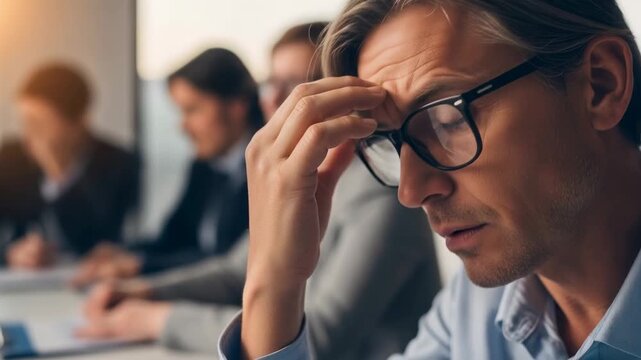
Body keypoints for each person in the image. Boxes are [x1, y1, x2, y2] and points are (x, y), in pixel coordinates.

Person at [215, 0, 641, 359]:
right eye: (387, 141)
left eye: (445, 118)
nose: (411, 191)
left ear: (600, 84)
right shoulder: (476, 310)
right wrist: (274, 283)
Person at [76, 22, 442, 359]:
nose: (274, 100)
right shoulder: (302, 178)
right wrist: (146, 291)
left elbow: (324, 338)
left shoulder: (386, 190)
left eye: (298, 86)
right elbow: (235, 269)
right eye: (273, 83)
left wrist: (157, 319)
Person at [72, 48, 262, 284]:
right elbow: (173, 237)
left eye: (192, 110)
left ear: (237, 106)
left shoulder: (267, 173)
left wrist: (142, 266)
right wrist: (124, 252)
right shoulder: (204, 166)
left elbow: (228, 261)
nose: (183, 127)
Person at [0, 63, 139, 269]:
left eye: (39, 123)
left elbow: (98, 241)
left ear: (79, 122)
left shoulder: (119, 165)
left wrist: (59, 175)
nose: (29, 133)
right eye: (25, 121)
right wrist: (10, 252)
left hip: (85, 280)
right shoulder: (11, 157)